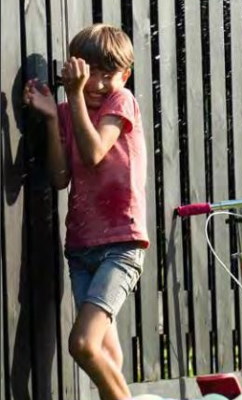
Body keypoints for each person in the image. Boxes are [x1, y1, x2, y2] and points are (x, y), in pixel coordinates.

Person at [23, 23, 147, 400]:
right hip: (80, 248)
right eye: (88, 72)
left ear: (124, 76)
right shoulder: (66, 110)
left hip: (121, 244)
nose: (96, 83)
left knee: (82, 344)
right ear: (74, 68)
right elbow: (61, 176)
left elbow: (94, 153)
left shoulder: (120, 102)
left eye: (107, 75)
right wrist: (49, 118)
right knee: (107, 354)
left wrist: (73, 96)